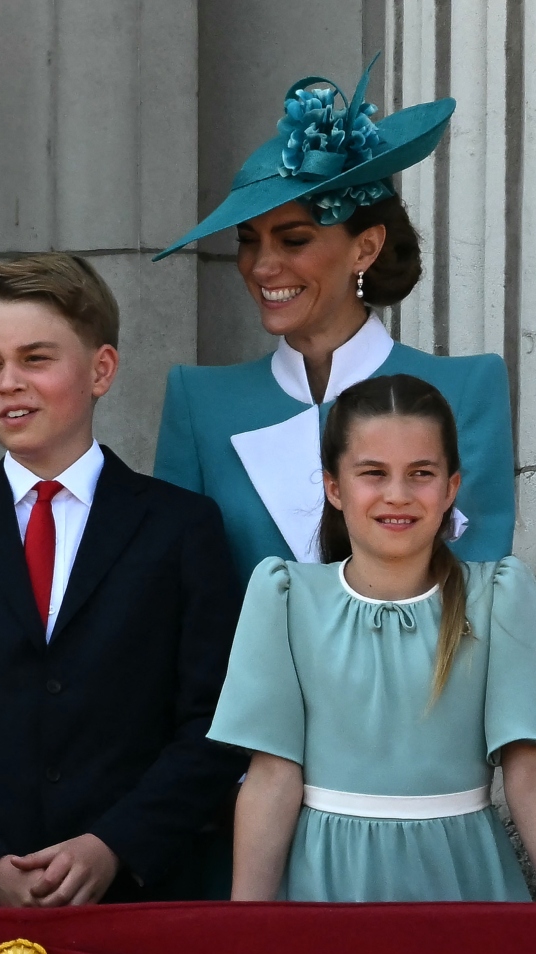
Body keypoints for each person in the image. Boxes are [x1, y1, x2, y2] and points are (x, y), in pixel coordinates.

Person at [0, 255, 247, 905]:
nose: (9, 383)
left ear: (102, 369)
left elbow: (214, 725)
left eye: (36, 359)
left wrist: (113, 845)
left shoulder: (181, 529)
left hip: (137, 908)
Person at [152, 57, 514, 581]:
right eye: (248, 242)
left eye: (294, 240)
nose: (262, 266)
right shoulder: (198, 402)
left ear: (364, 247)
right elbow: (178, 592)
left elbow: (477, 587)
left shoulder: (466, 387)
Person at [212, 374, 536, 902]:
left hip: (464, 878)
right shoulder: (287, 598)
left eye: (421, 473)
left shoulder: (497, 596)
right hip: (327, 880)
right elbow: (272, 776)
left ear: (452, 486)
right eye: (373, 473)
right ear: (334, 487)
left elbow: (527, 769)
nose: (397, 495)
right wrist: (248, 927)